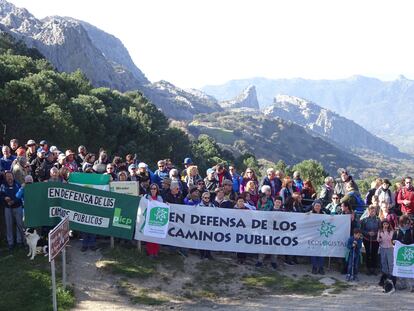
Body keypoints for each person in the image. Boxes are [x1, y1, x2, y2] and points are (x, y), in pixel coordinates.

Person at [0, 171, 24, 251]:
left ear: (13, 177)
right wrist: (4, 198)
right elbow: (1, 195)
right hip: (7, 207)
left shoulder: (17, 184)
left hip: (17, 206)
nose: (9, 178)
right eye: (8, 176)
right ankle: (10, 243)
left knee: (19, 224)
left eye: (10, 176)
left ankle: (20, 241)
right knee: (9, 225)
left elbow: (20, 194)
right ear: (5, 178)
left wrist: (13, 201)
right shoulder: (3, 185)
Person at [392, 215, 414, 291]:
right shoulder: (397, 230)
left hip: (409, 252)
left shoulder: (411, 230)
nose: (407, 224)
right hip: (400, 252)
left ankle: (411, 286)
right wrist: (394, 241)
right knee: (400, 268)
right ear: (401, 223)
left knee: (409, 268)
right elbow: (393, 240)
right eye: (405, 223)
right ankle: (400, 285)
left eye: (408, 223)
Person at [360, 205, 381, 275]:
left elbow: (380, 229)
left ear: (375, 212)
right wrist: (367, 233)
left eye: (374, 211)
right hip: (367, 239)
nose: (372, 212)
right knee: (368, 253)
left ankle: (374, 269)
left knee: (374, 254)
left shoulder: (378, 220)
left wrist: (375, 233)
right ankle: (368, 269)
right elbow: (361, 230)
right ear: (368, 211)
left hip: (375, 240)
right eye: (371, 211)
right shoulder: (364, 220)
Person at [145, 183, 164, 258]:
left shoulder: (160, 198)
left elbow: (163, 206)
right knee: (149, 237)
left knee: (156, 237)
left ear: (157, 190)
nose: (153, 190)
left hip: (157, 219)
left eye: (154, 188)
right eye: (152, 188)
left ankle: (155, 252)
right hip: (148, 219)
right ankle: (150, 253)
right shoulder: (146, 197)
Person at [310, 200, 326, 274]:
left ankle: (321, 267)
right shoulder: (310, 213)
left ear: (321, 207)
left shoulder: (324, 214)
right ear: (313, 206)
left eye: (319, 206)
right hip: (313, 236)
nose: (317, 207)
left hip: (321, 236)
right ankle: (314, 267)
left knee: (321, 252)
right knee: (313, 252)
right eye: (316, 206)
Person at [377, 220, 395, 287]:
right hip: (382, 248)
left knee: (390, 262)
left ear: (388, 225)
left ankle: (391, 275)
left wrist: (386, 233)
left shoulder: (391, 231)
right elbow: (378, 240)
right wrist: (379, 239)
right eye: (384, 224)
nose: (385, 226)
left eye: (386, 224)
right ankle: (385, 275)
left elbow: (390, 238)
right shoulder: (380, 231)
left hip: (390, 248)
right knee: (383, 262)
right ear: (382, 225)